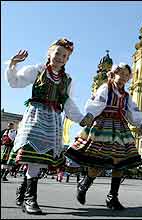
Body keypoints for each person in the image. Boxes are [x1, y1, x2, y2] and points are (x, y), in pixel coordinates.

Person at [4, 38, 93, 215]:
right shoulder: (38, 70)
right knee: (33, 154)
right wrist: (13, 64)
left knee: (40, 157)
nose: (60, 57)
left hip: (52, 119)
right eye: (57, 53)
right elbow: (15, 82)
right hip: (35, 115)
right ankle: (31, 198)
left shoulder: (67, 80)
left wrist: (81, 119)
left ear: (68, 59)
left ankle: (23, 189)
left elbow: (68, 103)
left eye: (65, 55)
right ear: (49, 53)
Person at [65, 62, 142, 210]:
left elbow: (133, 112)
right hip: (104, 126)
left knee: (120, 162)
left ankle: (112, 197)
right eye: (121, 74)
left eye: (127, 75)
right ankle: (84, 184)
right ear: (113, 74)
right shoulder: (106, 88)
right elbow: (96, 103)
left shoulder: (126, 96)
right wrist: (90, 115)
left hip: (120, 128)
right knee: (99, 162)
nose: (124, 77)